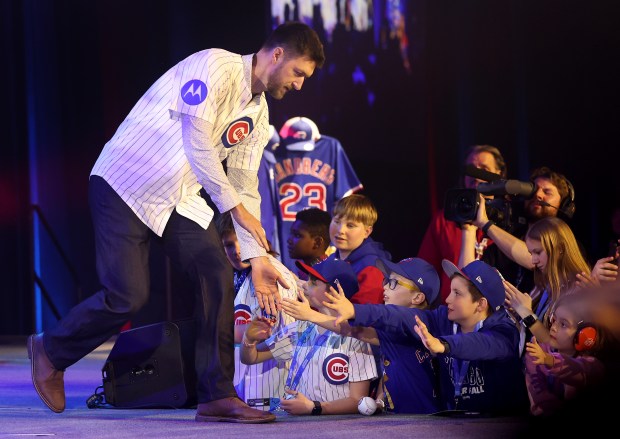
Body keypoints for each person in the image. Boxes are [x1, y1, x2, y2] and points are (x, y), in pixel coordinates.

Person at [27, 21, 325, 424]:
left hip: (175, 201)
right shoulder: (213, 66)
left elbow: (244, 185)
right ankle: (50, 351)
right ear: (277, 55)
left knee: (216, 274)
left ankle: (216, 396)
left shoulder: (259, 114)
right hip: (124, 182)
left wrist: (257, 258)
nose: (299, 85)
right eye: (298, 73)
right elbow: (197, 143)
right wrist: (234, 210)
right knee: (127, 296)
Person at [323, 259, 529, 416]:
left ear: (481, 304)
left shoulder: (505, 331)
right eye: (450, 291)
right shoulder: (442, 320)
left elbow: (483, 344)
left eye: (457, 294)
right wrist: (354, 311)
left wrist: (443, 344)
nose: (447, 299)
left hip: (499, 427)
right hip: (453, 426)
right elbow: (397, 316)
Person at [282, 257, 443, 414]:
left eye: (393, 282)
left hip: (422, 418)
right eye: (386, 280)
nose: (385, 286)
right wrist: (380, 400)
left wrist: (312, 315)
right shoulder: (392, 329)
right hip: (398, 418)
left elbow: (360, 326)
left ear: (417, 297)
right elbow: (390, 372)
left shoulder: (420, 324)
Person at [240, 258, 378, 415]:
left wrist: (314, 407)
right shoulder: (301, 327)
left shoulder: (357, 336)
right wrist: (249, 340)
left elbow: (358, 401)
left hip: (339, 428)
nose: (304, 284)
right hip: (298, 425)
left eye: (313, 282)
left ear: (332, 293)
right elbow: (251, 358)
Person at [258, 116, 363, 272]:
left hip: (315, 238)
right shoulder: (270, 151)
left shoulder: (330, 148)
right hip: (290, 237)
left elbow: (346, 203)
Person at [417, 145, 509, 304]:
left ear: (499, 174)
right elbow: (424, 271)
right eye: (472, 169)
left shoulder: (509, 219)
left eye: (484, 168)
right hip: (451, 311)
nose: (476, 174)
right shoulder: (445, 218)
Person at [504, 217, 591, 345]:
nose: (533, 260)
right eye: (531, 253)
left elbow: (557, 346)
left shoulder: (579, 286)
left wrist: (526, 314)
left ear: (560, 249)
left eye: (538, 252)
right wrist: (517, 310)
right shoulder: (545, 281)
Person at [472, 166, 578, 271]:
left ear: (563, 204)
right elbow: (472, 276)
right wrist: (468, 228)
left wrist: (486, 224)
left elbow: (534, 261)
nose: (538, 195)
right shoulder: (509, 237)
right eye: (534, 190)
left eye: (547, 192)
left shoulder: (565, 241)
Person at [524, 293, 608, 417]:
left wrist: (549, 360)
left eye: (563, 324)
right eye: (554, 320)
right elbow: (539, 400)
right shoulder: (539, 352)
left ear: (584, 334)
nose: (553, 328)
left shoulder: (592, 366)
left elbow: (575, 369)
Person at [326, 193, 391, 304]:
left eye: (350, 225)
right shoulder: (333, 258)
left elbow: (363, 317)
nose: (341, 230)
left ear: (367, 232)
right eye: (337, 222)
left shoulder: (372, 268)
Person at [287, 207, 332, 280]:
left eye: (297, 235)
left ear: (317, 242)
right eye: (291, 234)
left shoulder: (325, 276)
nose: (289, 240)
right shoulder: (306, 271)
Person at [216, 212, 251, 296]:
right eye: (229, 245)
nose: (236, 251)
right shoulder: (226, 277)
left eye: (242, 241)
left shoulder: (271, 274)